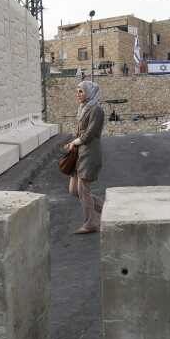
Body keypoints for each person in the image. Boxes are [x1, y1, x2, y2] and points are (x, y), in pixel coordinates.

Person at [65, 81, 105, 234]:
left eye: (81, 91)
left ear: (89, 92)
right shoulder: (84, 109)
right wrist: (72, 144)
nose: (78, 94)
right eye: (78, 91)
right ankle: (108, 210)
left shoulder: (96, 110)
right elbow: (81, 133)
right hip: (80, 153)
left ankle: (89, 224)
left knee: (83, 190)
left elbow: (90, 133)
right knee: (74, 190)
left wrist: (75, 142)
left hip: (90, 153)